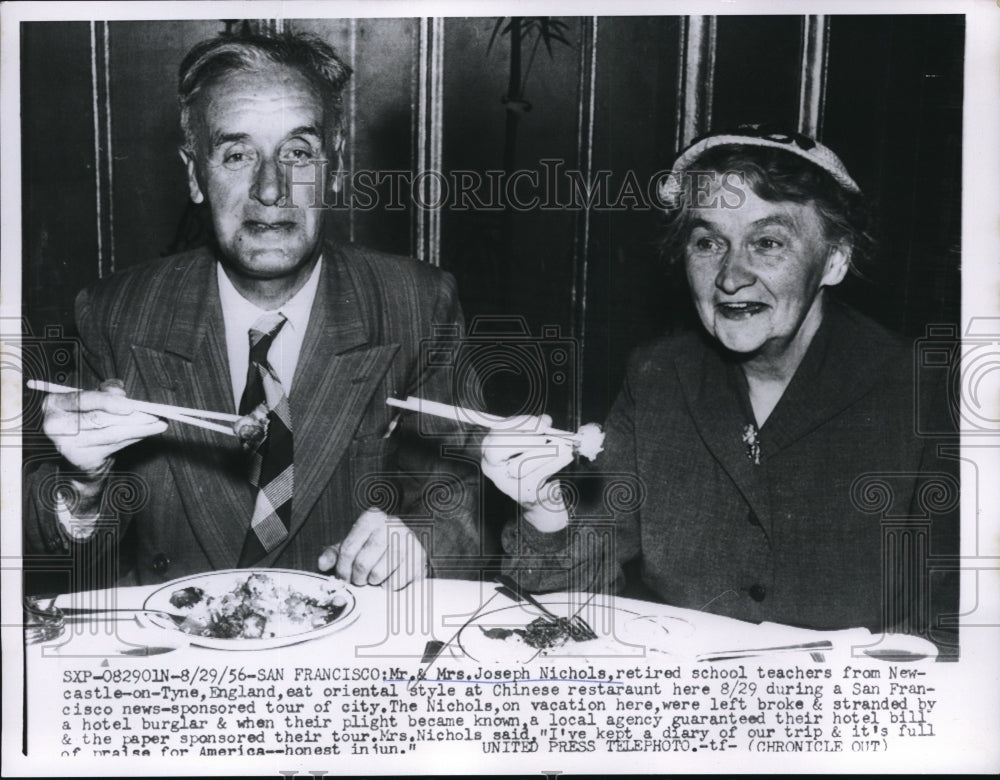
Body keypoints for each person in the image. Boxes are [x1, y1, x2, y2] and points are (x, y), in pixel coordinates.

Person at [24, 30, 480, 590]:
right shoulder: (115, 315)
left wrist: (418, 540)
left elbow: (463, 501)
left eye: (297, 152)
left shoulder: (417, 303)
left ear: (333, 170)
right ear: (194, 175)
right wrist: (83, 487)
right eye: (237, 154)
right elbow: (68, 568)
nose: (270, 188)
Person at [483, 126, 959, 652]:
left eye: (768, 242)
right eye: (708, 242)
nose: (731, 276)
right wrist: (541, 507)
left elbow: (963, 629)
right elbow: (578, 610)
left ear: (835, 260)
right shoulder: (659, 376)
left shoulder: (928, 391)